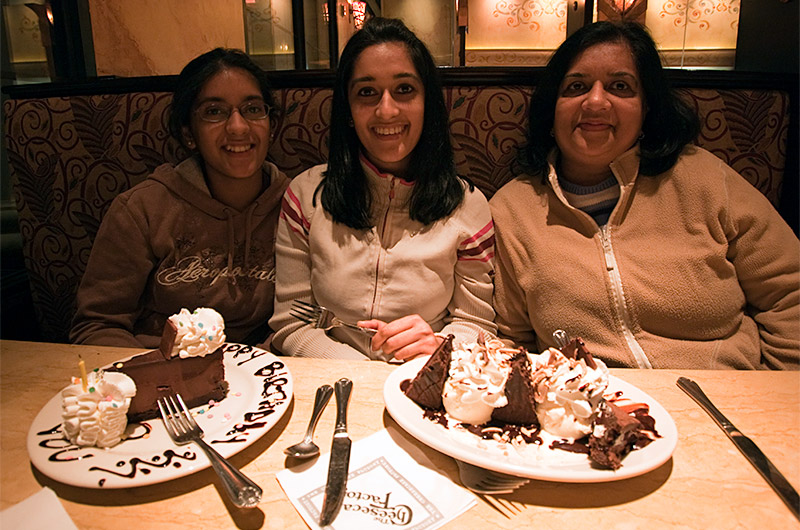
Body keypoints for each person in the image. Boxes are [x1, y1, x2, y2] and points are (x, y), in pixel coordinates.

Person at [491, 21, 800, 369]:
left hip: (724, 404)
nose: (595, 101)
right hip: (589, 409)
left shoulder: (705, 179)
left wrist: (778, 392)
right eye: (576, 86)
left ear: (646, 108)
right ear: (552, 108)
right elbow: (509, 338)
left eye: (619, 86)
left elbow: (790, 293)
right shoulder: (511, 210)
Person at [269, 17, 496, 361]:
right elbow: (292, 324)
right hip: (330, 377)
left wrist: (440, 349)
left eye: (404, 89)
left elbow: (476, 324)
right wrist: (364, 375)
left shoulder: (469, 206)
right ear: (348, 109)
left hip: (423, 379)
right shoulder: (305, 195)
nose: (386, 110)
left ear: (427, 103)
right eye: (367, 92)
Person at [70, 48, 290, 348]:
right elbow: (97, 326)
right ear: (189, 133)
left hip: (268, 376)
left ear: (271, 125)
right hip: (164, 377)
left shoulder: (297, 205)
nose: (238, 127)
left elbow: (307, 318)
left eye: (252, 109)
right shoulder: (141, 211)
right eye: (215, 111)